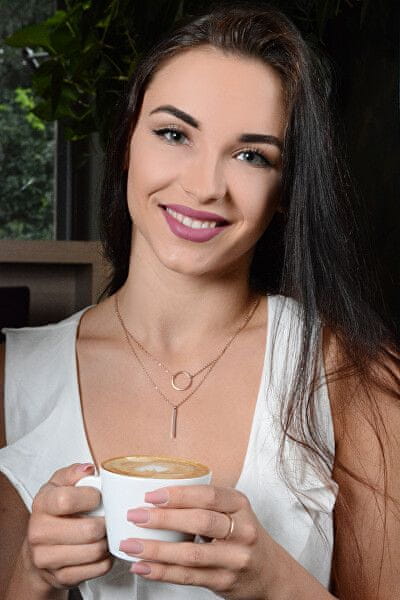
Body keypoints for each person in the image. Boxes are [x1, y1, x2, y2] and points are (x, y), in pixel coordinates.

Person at [1, 2, 399, 599]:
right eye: (173, 134)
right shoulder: (13, 375)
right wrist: (31, 578)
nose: (205, 186)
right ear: (127, 142)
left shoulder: (353, 375)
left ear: (285, 190)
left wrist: (275, 581)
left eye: (251, 155)